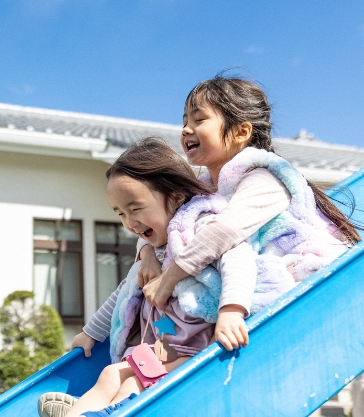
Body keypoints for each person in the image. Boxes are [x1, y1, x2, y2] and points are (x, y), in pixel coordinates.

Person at [38, 137, 258, 417]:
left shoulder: (201, 229)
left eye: (135, 208)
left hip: (197, 353)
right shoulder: (153, 251)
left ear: (176, 197)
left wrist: (231, 312)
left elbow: (238, 260)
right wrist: (90, 332)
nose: (129, 222)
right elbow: (124, 293)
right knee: (110, 376)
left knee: (132, 382)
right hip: (164, 349)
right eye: (120, 213)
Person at [140, 76, 358, 314]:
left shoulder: (265, 179)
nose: (186, 130)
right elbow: (163, 220)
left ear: (241, 131)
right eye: (184, 122)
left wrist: (169, 277)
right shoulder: (202, 191)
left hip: (305, 291)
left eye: (199, 119)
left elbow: (225, 230)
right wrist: (148, 253)